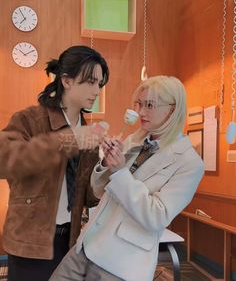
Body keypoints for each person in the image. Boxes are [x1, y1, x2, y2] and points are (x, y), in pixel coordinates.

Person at [50, 75, 205, 281]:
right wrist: (106, 163)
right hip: (86, 245)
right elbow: (97, 191)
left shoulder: (189, 162)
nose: (140, 111)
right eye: (139, 104)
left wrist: (121, 172)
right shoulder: (134, 139)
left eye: (149, 105)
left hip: (120, 263)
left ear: (172, 109)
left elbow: (157, 216)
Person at [0, 45, 110, 281]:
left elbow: (87, 197)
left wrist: (106, 167)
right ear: (67, 80)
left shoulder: (87, 131)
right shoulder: (29, 119)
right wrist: (69, 141)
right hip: (30, 241)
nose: (96, 90)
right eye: (90, 82)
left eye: (99, 84)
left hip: (70, 239)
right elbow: (4, 162)